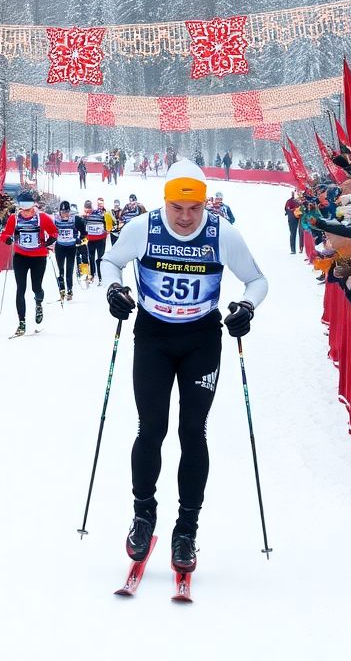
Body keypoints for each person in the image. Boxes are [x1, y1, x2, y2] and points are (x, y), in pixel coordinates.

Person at [101, 160, 268, 574]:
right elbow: (110, 262)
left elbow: (257, 280)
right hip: (153, 337)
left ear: (205, 204)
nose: (186, 217)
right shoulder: (142, 228)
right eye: (178, 207)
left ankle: (187, 529)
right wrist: (115, 289)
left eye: (193, 209)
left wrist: (247, 307)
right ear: (167, 201)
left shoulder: (222, 233)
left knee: (193, 431)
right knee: (151, 428)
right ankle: (143, 515)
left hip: (201, 338)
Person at [1, 190, 58, 335]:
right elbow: (5, 233)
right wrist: (7, 239)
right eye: (23, 210)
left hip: (39, 257)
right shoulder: (14, 219)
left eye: (28, 210)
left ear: (33, 207)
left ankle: (38, 303)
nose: (26, 213)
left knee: (36, 287)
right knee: (20, 289)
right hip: (20, 256)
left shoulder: (42, 217)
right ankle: (22, 322)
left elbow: (54, 232)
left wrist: (51, 239)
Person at [52, 200, 86, 301]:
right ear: (59, 212)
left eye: (66, 212)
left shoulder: (75, 219)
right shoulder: (55, 219)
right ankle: (62, 289)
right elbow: (50, 230)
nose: (64, 214)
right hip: (60, 247)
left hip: (71, 247)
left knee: (69, 270)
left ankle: (69, 290)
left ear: (69, 211)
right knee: (61, 269)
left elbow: (84, 231)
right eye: (62, 212)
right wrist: (49, 241)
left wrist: (80, 239)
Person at [82, 197, 114, 286]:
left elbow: (108, 223)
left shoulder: (100, 214)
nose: (88, 212)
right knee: (91, 258)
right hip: (91, 240)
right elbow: (82, 227)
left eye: (89, 209)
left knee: (100, 258)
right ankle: (92, 274)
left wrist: (107, 230)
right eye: (86, 210)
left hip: (100, 240)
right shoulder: (84, 216)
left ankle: (101, 277)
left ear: (92, 208)